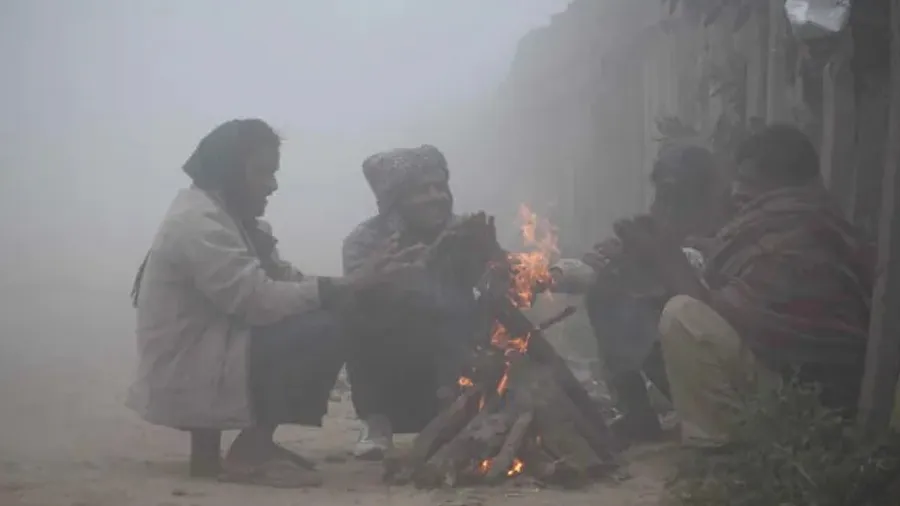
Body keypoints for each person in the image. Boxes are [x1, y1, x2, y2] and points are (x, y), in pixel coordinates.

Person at [127, 119, 401, 488]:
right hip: (191, 369)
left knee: (336, 305)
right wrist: (346, 287)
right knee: (328, 326)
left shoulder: (226, 217)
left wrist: (356, 284)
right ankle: (252, 451)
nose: (272, 185)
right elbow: (256, 299)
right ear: (228, 171)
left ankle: (238, 450)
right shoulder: (198, 223)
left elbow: (286, 279)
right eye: (263, 172)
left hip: (210, 352)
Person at [615, 123, 873, 446]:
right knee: (646, 303)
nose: (737, 192)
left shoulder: (797, 235)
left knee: (682, 316)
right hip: (796, 388)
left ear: (774, 182)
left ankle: (718, 452)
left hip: (812, 403)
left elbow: (723, 316)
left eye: (747, 181)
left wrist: (667, 257)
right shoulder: (791, 223)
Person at [550, 143, 722, 443]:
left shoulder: (724, 235)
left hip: (720, 376)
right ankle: (636, 414)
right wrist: (625, 261)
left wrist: (656, 258)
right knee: (609, 288)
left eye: (674, 196)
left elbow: (700, 298)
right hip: (681, 367)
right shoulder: (663, 222)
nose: (664, 208)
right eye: (662, 196)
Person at [342, 145, 488, 460]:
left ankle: (461, 414)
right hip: (396, 361)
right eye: (423, 190)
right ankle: (376, 422)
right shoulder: (366, 241)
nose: (437, 196)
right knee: (353, 308)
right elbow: (354, 294)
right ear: (396, 200)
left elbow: (505, 278)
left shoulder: (467, 232)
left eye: (441, 186)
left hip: (456, 360)